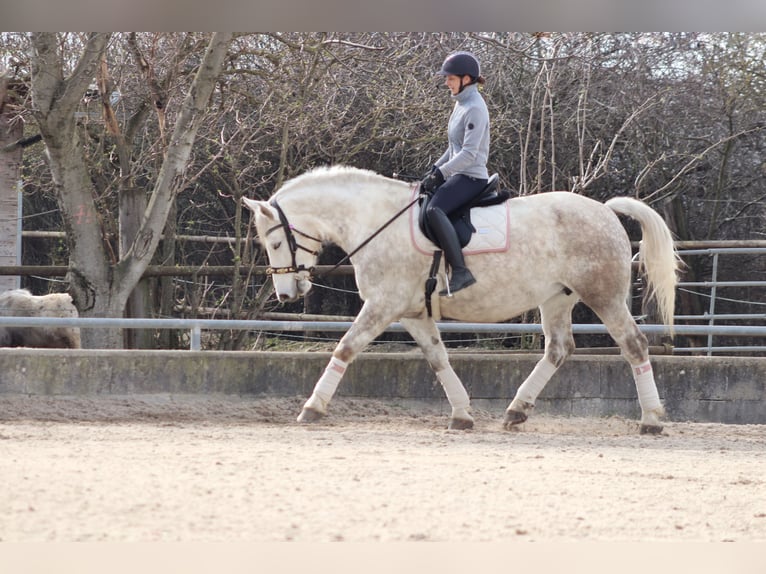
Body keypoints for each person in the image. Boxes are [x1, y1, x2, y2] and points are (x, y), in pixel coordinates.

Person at [421, 51, 490, 296]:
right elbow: (453, 148)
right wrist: (434, 170)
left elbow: (469, 154)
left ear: (466, 78)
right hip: (458, 172)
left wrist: (442, 174)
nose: (446, 82)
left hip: (472, 176)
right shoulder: (460, 105)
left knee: (434, 209)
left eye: (450, 78)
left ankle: (460, 271)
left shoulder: (475, 109)